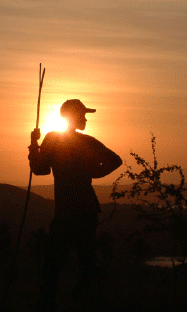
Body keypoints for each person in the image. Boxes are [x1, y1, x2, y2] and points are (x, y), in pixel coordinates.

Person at [28, 99, 122, 311]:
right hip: (85, 211)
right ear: (72, 116)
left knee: (54, 266)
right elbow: (115, 160)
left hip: (65, 213)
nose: (85, 118)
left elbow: (40, 169)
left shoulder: (52, 140)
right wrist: (94, 172)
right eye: (82, 115)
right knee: (86, 264)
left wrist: (34, 144)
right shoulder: (87, 142)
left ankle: (49, 302)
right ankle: (82, 299)